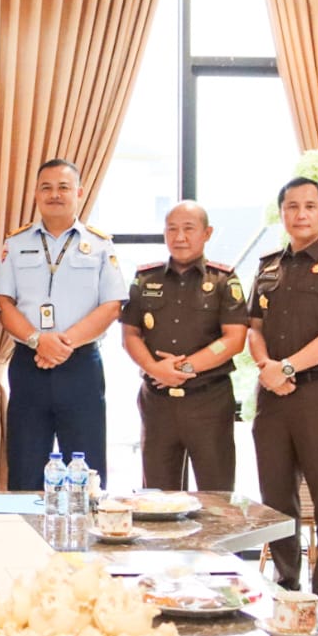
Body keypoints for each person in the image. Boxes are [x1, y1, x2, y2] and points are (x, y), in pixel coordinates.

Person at [248, 176, 318, 597]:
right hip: (272, 396)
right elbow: (254, 329)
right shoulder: (268, 266)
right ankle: (286, 583)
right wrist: (266, 367)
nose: (300, 214)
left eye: (310, 206)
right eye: (292, 207)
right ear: (282, 213)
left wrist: (287, 367)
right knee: (276, 497)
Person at [0, 159, 127, 489]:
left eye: (63, 187)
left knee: (86, 468)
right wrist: (38, 340)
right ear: (36, 194)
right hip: (29, 364)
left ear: (79, 193)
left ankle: (85, 525)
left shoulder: (99, 244)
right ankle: (25, 525)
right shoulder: (16, 243)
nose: (55, 194)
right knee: (24, 467)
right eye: (47, 188)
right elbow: (2, 302)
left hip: (80, 366)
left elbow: (112, 305)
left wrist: (63, 344)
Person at [120, 200, 248, 491]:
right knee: (157, 495)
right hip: (157, 401)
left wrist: (185, 368)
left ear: (207, 233)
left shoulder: (223, 280)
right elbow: (130, 335)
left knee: (216, 496)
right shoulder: (145, 278)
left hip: (209, 400)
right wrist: (155, 369)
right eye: (172, 229)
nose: (179, 237)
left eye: (188, 229)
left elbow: (233, 339)